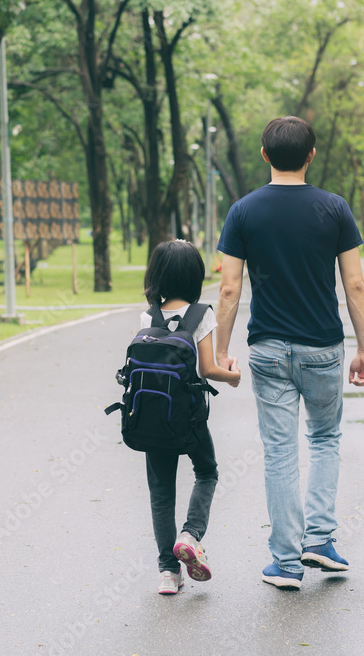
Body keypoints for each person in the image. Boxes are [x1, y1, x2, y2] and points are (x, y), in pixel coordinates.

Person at [214, 116, 364, 590]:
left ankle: (285, 562)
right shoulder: (335, 209)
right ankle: (320, 541)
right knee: (325, 439)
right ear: (311, 155)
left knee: (280, 450)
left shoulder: (242, 211)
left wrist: (221, 352)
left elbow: (228, 289)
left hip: (266, 348)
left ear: (264, 154)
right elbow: (355, 284)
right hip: (323, 346)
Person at [139, 239, 242, 595]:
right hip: (189, 418)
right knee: (207, 471)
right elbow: (209, 369)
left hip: (153, 417)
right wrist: (234, 376)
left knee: (161, 492)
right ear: (195, 276)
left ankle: (168, 573)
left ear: (157, 274)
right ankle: (190, 535)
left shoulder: (148, 315)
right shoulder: (201, 314)